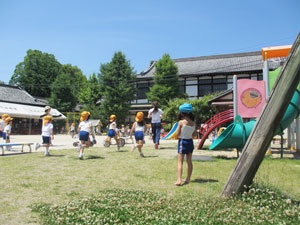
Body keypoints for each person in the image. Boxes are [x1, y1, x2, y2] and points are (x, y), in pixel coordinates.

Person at [175, 103, 196, 186]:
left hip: (182, 142)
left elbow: (177, 133)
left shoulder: (181, 122)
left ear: (182, 113)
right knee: (189, 161)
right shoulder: (193, 123)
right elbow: (194, 134)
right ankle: (188, 178)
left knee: (180, 162)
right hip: (190, 142)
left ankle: (179, 180)